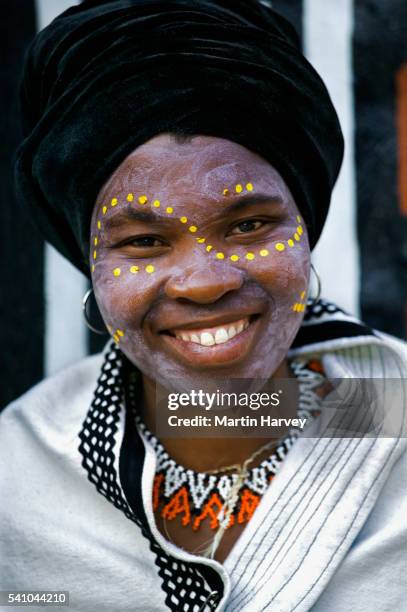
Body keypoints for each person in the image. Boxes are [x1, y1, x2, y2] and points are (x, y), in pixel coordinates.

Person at [1, 1, 407, 611]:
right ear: (91, 264)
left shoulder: (394, 412)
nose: (204, 282)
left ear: (306, 230)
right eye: (143, 241)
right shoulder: (18, 478)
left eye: (249, 225)